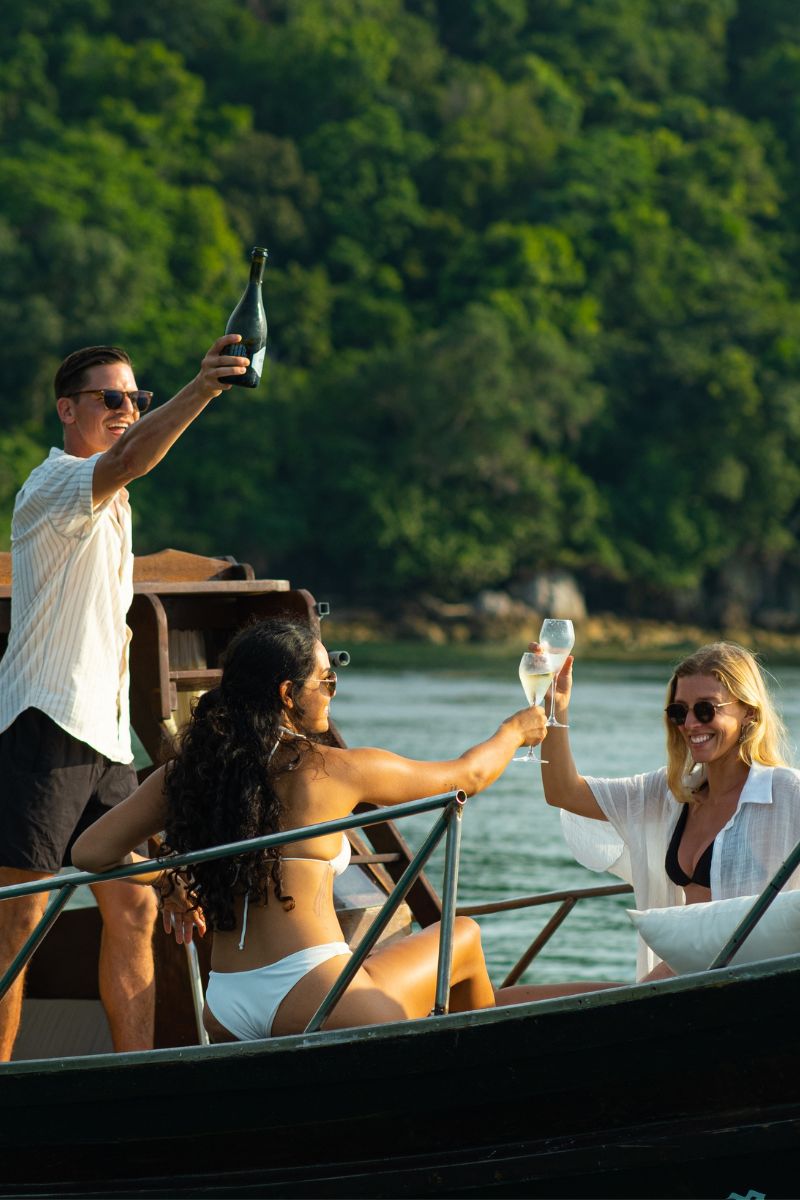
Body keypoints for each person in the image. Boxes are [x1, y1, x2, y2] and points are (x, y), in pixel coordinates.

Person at [73, 618, 614, 1042]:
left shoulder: (186, 773)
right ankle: (478, 1083)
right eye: (326, 679)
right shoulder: (331, 768)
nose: (333, 689)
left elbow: (91, 852)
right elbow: (466, 776)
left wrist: (170, 885)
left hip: (227, 1003)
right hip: (313, 993)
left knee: (406, 964)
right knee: (464, 937)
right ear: (288, 693)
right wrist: (515, 731)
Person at [0, 333, 252, 1060]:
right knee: (17, 920)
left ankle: (135, 1073)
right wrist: (201, 388)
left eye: (136, 399)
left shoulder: (112, 500)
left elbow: (126, 474)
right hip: (44, 723)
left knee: (137, 907)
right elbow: (128, 458)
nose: (127, 410)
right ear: (66, 410)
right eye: (112, 399)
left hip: (107, 737)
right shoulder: (51, 485)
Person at [538, 640, 800, 979]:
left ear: (748, 711)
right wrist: (555, 709)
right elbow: (563, 791)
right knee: (501, 1003)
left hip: (748, 989)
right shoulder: (668, 794)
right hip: (682, 983)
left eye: (705, 710)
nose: (690, 724)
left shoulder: (785, 793)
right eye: (679, 712)